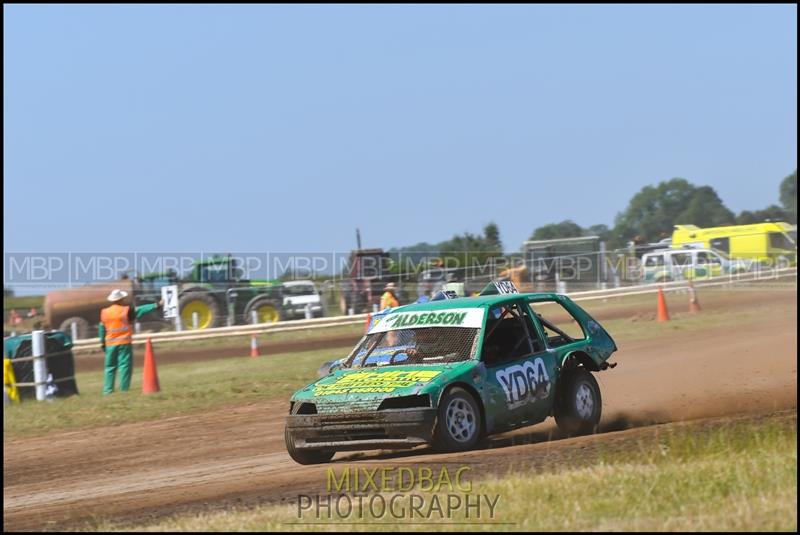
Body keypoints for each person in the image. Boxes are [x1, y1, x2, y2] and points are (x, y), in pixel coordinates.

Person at [99, 289, 162, 395]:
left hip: (110, 344)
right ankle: (124, 390)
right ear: (121, 299)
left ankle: (107, 391)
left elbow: (101, 328)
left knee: (110, 367)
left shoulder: (104, 312)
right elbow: (140, 310)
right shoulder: (126, 310)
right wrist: (156, 305)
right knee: (124, 366)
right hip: (124, 342)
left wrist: (102, 343)